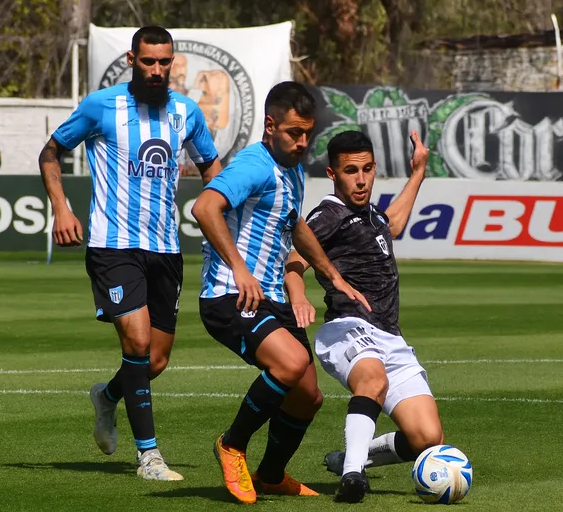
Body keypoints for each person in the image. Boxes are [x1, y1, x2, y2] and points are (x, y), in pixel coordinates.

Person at [38, 25, 222, 481]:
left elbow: (210, 165)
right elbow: (51, 152)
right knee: (137, 343)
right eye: (148, 61)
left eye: (165, 62)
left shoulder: (186, 111)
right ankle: (150, 457)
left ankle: (107, 396)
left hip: (166, 247)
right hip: (112, 244)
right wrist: (61, 208)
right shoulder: (102, 106)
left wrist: (223, 205)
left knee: (155, 360)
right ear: (130, 59)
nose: (157, 70)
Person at [191, 81, 371, 504]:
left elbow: (295, 226)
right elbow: (204, 207)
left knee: (308, 397)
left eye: (308, 133)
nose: (303, 142)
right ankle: (231, 445)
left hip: (270, 296)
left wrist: (332, 275)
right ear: (270, 125)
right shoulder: (254, 165)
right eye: (294, 132)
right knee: (290, 364)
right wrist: (239, 268)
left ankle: (271, 475)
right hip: (230, 296)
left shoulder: (289, 168)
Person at [284, 129, 444, 503]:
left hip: (391, 336)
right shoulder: (328, 214)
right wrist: (299, 295)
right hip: (348, 328)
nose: (361, 179)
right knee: (370, 377)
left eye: (367, 169)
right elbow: (294, 261)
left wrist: (418, 171)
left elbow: (395, 223)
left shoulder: (369, 213)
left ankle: (350, 459)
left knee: (427, 438)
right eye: (351, 171)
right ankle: (353, 478)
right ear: (332, 174)